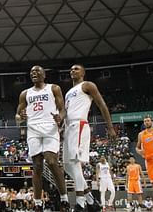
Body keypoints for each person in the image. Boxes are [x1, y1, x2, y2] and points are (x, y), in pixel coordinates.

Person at [15, 65, 70, 212]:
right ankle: (38, 203)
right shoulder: (25, 93)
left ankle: (64, 198)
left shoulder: (54, 88)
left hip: (50, 128)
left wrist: (61, 117)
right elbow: (17, 116)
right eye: (32, 72)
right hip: (33, 129)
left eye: (37, 71)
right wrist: (20, 117)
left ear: (44, 75)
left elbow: (63, 109)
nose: (34, 73)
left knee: (51, 161)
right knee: (37, 166)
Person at [63, 64, 116, 212]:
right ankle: (91, 200)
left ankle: (80, 203)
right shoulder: (68, 92)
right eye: (71, 69)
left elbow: (102, 104)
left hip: (79, 124)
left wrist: (110, 127)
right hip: (68, 128)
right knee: (67, 166)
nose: (72, 70)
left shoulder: (87, 85)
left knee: (74, 162)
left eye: (76, 69)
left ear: (83, 72)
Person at [136, 115, 153, 195]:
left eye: (148, 120)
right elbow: (137, 148)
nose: (146, 122)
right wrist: (140, 152)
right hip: (149, 161)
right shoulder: (141, 134)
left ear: (152, 122)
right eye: (145, 121)